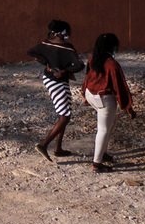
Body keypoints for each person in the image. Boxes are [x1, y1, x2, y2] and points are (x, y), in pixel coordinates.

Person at [28, 19, 83, 162]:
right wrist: (64, 71)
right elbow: (79, 65)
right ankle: (43, 145)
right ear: (63, 32)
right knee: (65, 117)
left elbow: (31, 52)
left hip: (49, 79)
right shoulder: (67, 48)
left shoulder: (46, 43)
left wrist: (46, 63)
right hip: (59, 82)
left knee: (63, 114)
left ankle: (58, 148)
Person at [79, 32, 133, 173]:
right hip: (104, 99)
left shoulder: (92, 58)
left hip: (91, 94)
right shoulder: (112, 64)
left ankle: (102, 152)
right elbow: (120, 87)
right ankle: (96, 163)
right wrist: (128, 107)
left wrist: (84, 95)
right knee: (103, 130)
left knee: (111, 123)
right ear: (112, 46)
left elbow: (88, 78)